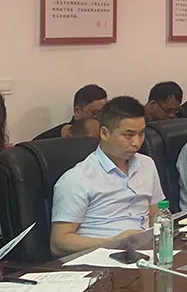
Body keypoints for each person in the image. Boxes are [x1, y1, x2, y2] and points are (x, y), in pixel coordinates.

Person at [50, 96, 165, 258]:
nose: (136, 142)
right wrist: (113, 242)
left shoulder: (147, 164)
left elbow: (155, 214)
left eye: (141, 134)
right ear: (104, 133)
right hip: (102, 258)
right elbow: (59, 243)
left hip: (146, 253)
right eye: (129, 135)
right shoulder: (77, 179)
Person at [34, 84, 108, 140]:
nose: (100, 118)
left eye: (104, 112)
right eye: (95, 113)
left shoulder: (107, 133)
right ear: (77, 111)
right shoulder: (51, 139)